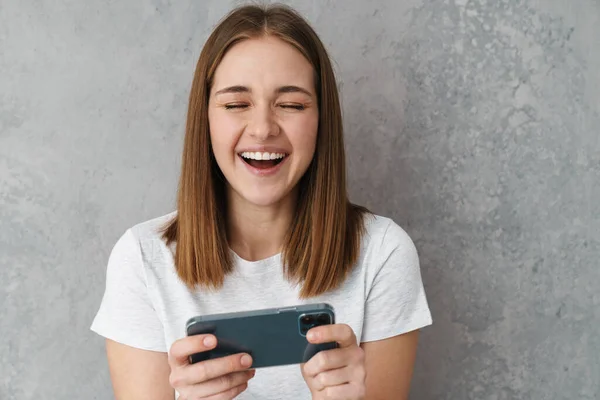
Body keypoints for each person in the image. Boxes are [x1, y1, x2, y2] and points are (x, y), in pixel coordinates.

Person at [91, 3, 432, 399]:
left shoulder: (383, 253)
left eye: (291, 105)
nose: (263, 128)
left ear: (322, 121)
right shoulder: (142, 259)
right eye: (236, 104)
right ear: (206, 119)